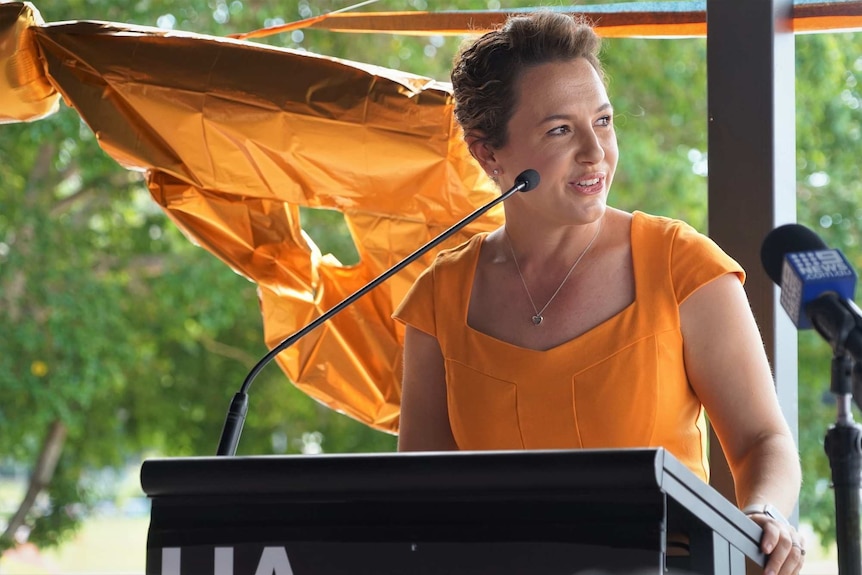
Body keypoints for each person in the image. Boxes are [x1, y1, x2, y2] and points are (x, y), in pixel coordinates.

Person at [392, 11, 804, 575]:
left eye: (604, 122)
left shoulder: (680, 263)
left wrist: (763, 512)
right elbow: (421, 498)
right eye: (560, 129)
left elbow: (763, 440)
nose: (596, 152)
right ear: (489, 153)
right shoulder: (439, 295)